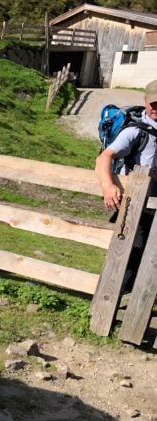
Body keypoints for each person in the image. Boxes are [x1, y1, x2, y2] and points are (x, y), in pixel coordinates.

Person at [94, 79, 157, 292]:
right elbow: (104, 158)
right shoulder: (135, 131)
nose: (156, 109)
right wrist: (107, 185)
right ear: (145, 101)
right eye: (153, 104)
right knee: (131, 252)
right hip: (135, 203)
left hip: (153, 202)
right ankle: (115, 298)